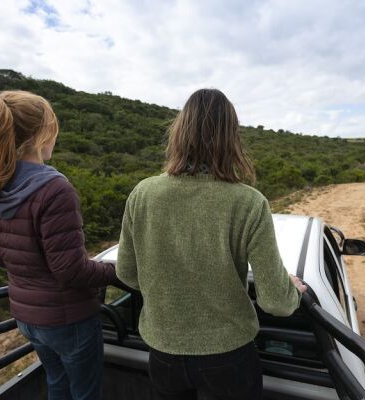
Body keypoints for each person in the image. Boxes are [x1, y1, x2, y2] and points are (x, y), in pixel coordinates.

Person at [116, 88, 307, 400]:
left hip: (164, 354)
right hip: (230, 356)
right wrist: (292, 290)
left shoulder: (143, 194)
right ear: (231, 137)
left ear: (178, 133)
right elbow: (275, 302)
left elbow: (127, 274)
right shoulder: (249, 202)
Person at [0, 90, 123, 400]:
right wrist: (117, 272)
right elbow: (70, 271)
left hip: (27, 316)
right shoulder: (53, 188)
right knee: (86, 393)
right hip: (69, 317)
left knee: (57, 384)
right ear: (39, 135)